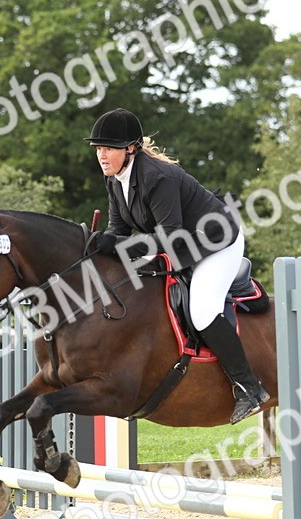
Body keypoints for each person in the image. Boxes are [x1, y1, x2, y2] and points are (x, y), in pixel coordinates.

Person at [86, 108, 269, 424]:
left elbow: (169, 238)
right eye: (99, 149)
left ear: (130, 148)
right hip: (185, 246)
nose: (102, 155)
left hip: (216, 242)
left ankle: (249, 388)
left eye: (109, 148)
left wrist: (115, 245)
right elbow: (118, 232)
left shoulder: (157, 177)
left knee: (201, 310)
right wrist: (95, 247)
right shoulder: (116, 179)